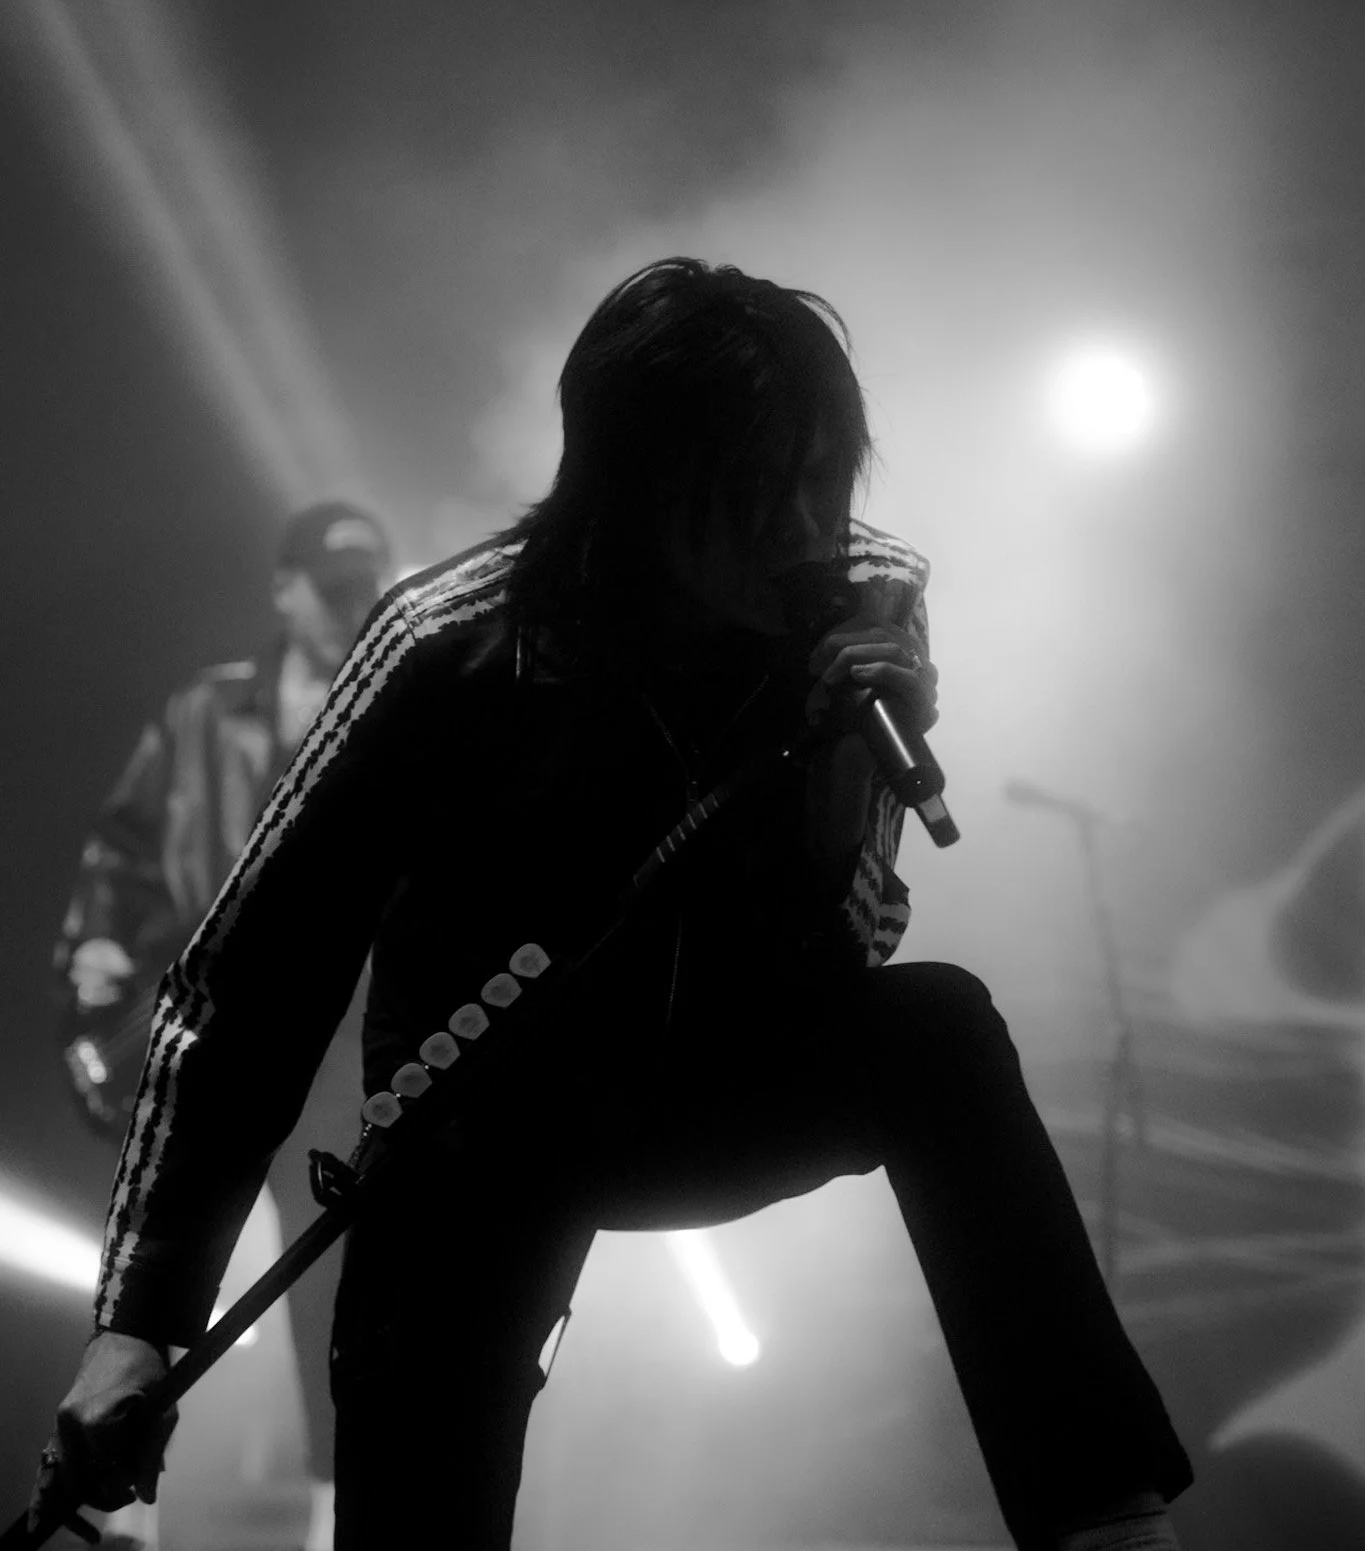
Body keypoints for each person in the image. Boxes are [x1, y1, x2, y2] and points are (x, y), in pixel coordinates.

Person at [32, 261, 1192, 1551]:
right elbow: (250, 980)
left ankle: (1109, 1520)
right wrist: (138, 1322)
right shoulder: (447, 642)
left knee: (940, 1027)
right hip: (483, 1128)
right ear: (640, 491)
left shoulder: (863, 601)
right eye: (759, 492)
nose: (806, 530)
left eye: (826, 481)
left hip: (719, 1081)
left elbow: (856, 944)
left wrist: (842, 774)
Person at [52, 500, 392, 1551]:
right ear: (284, 590)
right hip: (209, 1034)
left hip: (338, 1049)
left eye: (363, 590)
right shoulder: (204, 709)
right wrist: (93, 957)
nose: (350, 609)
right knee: (144, 1264)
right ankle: (108, 1509)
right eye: (332, 591)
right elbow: (125, 843)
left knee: (329, 1281)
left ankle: (336, 1513)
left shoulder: (400, 700)